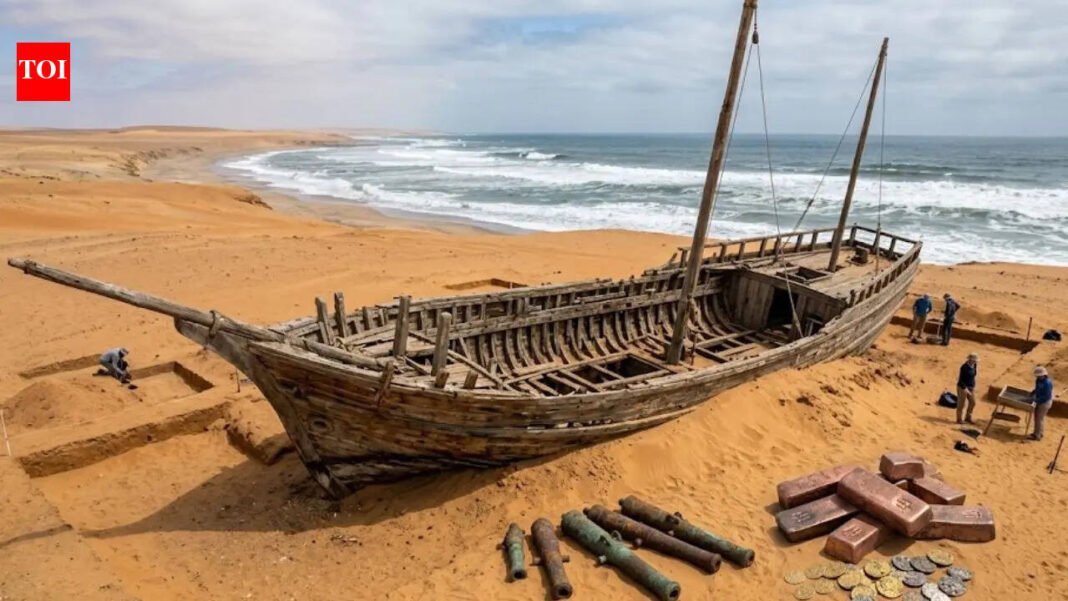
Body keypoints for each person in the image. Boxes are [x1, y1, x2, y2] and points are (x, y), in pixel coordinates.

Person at [1029, 366, 1054, 441]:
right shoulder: (1038, 380)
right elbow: (1037, 388)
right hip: (1039, 400)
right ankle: (1039, 433)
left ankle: (1037, 436)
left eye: (1040, 376)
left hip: (1045, 403)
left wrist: (1036, 401)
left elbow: (1046, 396)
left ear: (1044, 375)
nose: (1038, 377)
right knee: (1037, 418)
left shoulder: (1047, 383)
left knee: (1039, 419)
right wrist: (1033, 392)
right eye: (1037, 376)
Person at [956, 353, 978, 424]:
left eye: (975, 360)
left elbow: (974, 375)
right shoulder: (964, 367)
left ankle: (968, 417)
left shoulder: (975, 365)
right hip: (963, 387)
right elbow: (961, 380)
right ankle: (959, 419)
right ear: (969, 359)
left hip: (971, 387)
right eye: (973, 360)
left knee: (973, 402)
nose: (974, 361)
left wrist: (972, 386)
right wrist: (965, 389)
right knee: (961, 404)